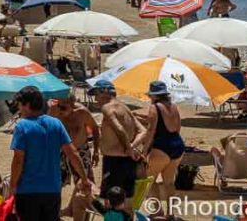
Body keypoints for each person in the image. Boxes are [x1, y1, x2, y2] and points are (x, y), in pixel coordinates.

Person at [10, 86, 92, 221]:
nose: (18, 108)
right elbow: (72, 153)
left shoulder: (22, 126)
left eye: (19, 104)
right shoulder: (56, 124)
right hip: (52, 189)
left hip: (28, 190)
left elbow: (18, 160)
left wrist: (13, 185)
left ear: (27, 105)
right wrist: (84, 178)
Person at [89, 80, 146, 214]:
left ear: (104, 92)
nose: (95, 99)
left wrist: (129, 147)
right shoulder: (124, 107)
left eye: (96, 94)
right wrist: (131, 147)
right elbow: (143, 130)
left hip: (114, 162)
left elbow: (119, 128)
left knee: (110, 202)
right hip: (129, 161)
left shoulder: (107, 107)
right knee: (127, 200)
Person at [48, 94, 101, 220]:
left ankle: (82, 215)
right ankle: (56, 213)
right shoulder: (54, 111)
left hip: (80, 150)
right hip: (60, 151)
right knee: (56, 183)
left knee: (85, 184)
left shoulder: (82, 113)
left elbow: (95, 129)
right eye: (59, 105)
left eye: (63, 107)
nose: (60, 110)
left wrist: (96, 152)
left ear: (72, 105)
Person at [143, 81, 185, 214]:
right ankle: (171, 213)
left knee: (149, 180)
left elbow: (151, 130)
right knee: (169, 182)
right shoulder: (174, 106)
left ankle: (158, 212)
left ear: (154, 96)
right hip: (177, 144)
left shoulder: (154, 108)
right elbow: (178, 127)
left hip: (162, 146)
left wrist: (144, 150)